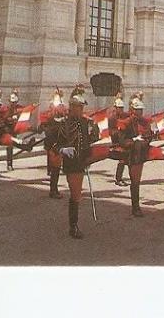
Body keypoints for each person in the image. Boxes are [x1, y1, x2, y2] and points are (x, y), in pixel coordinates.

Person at [53, 85, 99, 239]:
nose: (81, 110)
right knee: (76, 194)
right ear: (72, 107)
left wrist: (96, 129)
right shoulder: (63, 124)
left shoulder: (85, 123)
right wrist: (62, 150)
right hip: (71, 163)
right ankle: (73, 226)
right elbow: (52, 145)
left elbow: (90, 140)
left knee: (77, 194)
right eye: (79, 107)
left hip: (82, 161)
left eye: (82, 107)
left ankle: (74, 225)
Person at [0, 90, 34, 187]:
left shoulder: (2, 113)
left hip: (0, 135)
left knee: (12, 140)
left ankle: (26, 146)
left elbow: (10, 115)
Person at [117, 92, 152, 217]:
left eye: (141, 110)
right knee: (134, 181)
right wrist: (133, 141)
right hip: (130, 153)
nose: (140, 113)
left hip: (140, 154)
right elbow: (121, 141)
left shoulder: (144, 122)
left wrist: (145, 139)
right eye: (138, 110)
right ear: (132, 110)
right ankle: (135, 207)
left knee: (136, 180)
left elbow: (149, 135)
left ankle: (135, 207)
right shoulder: (125, 123)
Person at [109, 92, 128, 187]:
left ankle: (120, 177)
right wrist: (119, 130)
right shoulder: (112, 118)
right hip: (116, 141)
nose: (121, 110)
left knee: (125, 158)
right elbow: (112, 131)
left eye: (122, 108)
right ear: (115, 108)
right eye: (119, 108)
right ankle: (118, 179)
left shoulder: (122, 116)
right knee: (122, 159)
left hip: (122, 139)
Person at [3, 89, 23, 171]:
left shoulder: (19, 108)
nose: (13, 104)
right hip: (7, 129)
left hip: (15, 129)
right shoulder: (6, 109)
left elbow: (25, 112)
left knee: (15, 143)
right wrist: (10, 119)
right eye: (12, 102)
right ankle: (9, 164)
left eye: (15, 102)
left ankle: (26, 146)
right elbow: (4, 118)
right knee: (10, 146)